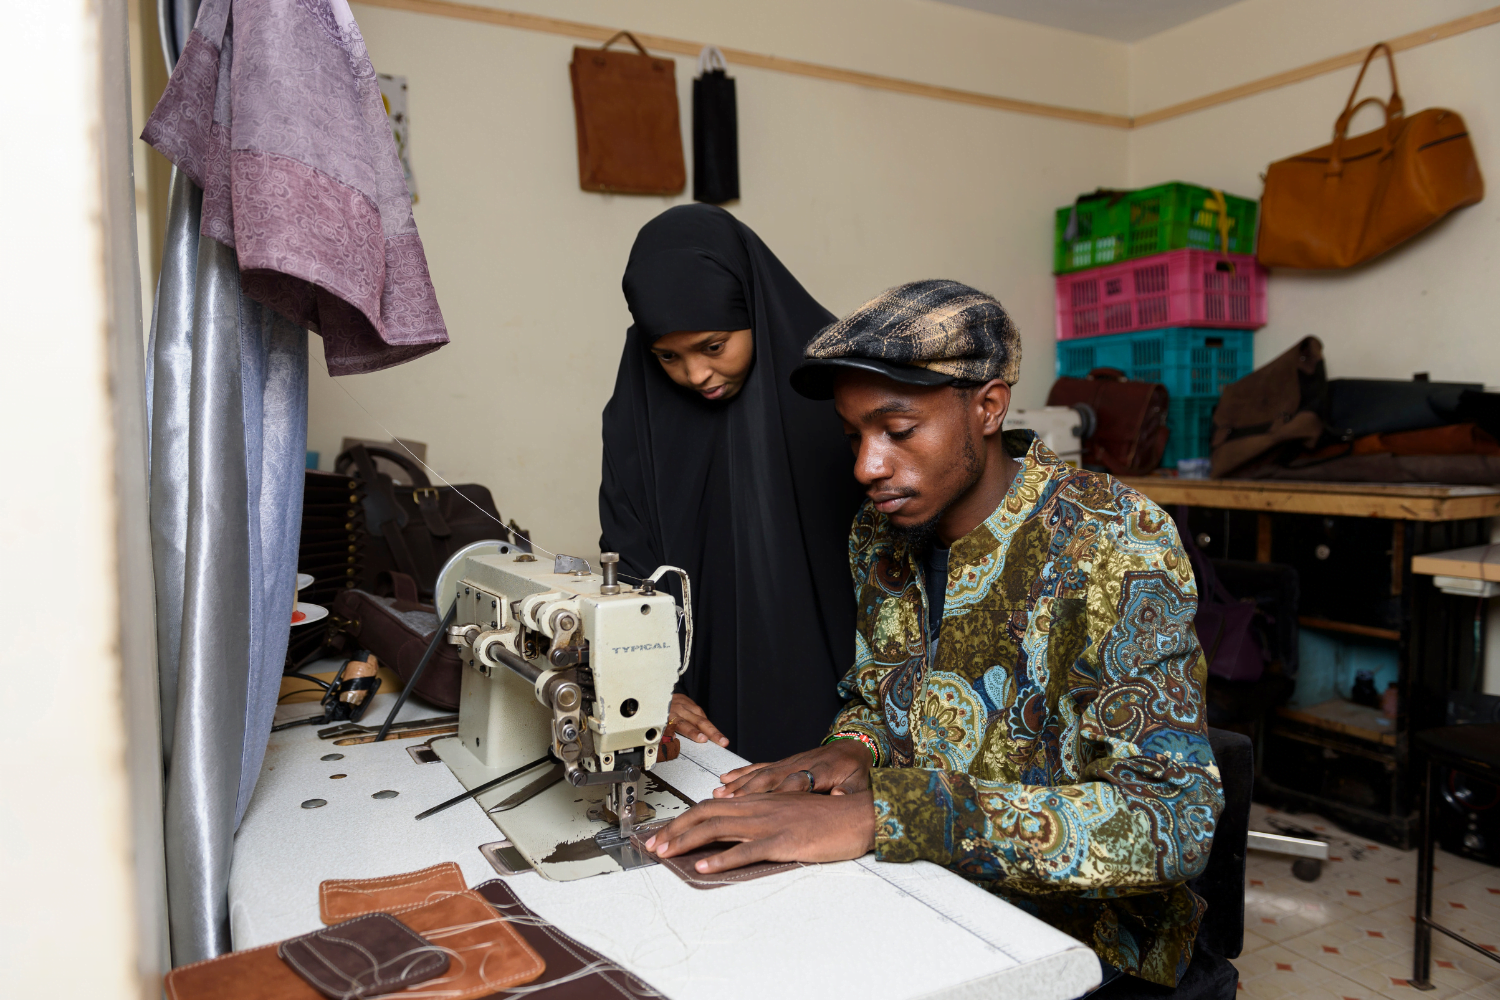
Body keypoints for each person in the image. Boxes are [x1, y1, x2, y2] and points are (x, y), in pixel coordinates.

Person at [641, 280, 1224, 990]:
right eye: (853, 435)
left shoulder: (1113, 543)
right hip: (939, 902)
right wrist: (849, 751)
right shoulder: (880, 535)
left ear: (987, 406)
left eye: (899, 430)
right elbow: (884, 697)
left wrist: (891, 812)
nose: (866, 466)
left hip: (1087, 950)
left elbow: (1173, 821)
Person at [599, 205, 862, 762]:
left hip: (844, 694)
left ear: (755, 309)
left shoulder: (838, 386)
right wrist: (652, 682)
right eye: (668, 356)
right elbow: (629, 556)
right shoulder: (637, 412)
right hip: (698, 702)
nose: (695, 374)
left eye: (713, 346)